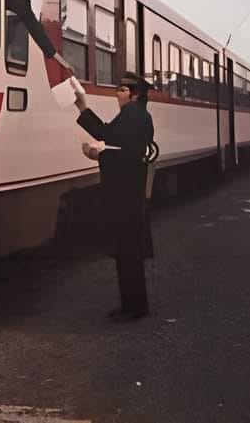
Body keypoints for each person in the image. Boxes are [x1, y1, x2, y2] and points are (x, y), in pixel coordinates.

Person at [74, 71, 155, 322]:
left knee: (127, 253)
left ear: (134, 94)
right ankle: (133, 305)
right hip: (129, 193)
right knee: (128, 253)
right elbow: (115, 141)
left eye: (122, 90)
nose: (117, 93)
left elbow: (112, 141)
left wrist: (97, 155)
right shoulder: (137, 116)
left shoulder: (132, 115)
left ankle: (133, 308)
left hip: (125, 195)